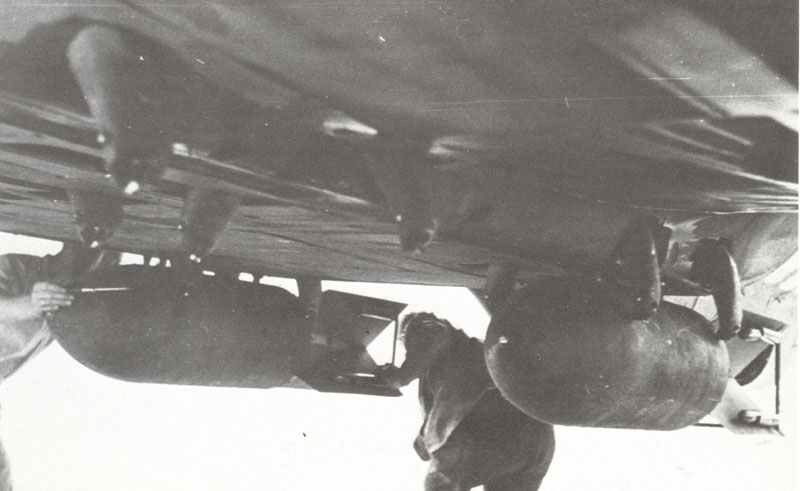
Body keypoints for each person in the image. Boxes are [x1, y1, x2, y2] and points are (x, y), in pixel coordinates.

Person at [380, 313, 555, 491]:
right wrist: (423, 439)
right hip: (537, 441)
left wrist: (402, 376)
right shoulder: (476, 355)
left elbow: (432, 332)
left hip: (495, 435)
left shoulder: (429, 329)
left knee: (440, 482)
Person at [0, 243, 117, 490]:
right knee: (99, 260)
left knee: (90, 255)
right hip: (42, 304)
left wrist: (29, 304)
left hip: (21, 290)